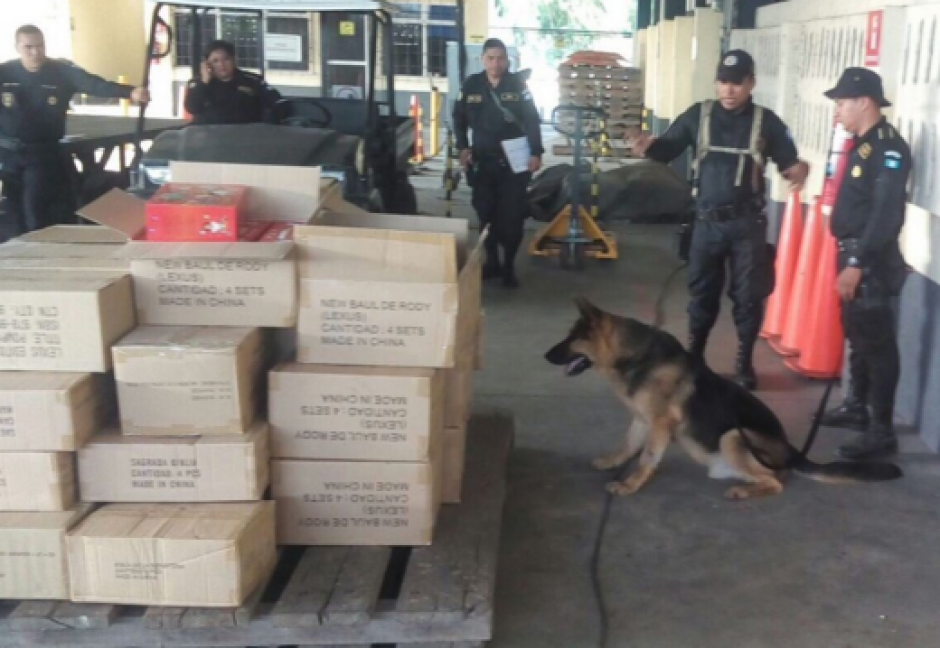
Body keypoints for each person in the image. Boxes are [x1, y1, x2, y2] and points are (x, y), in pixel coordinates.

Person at [632, 50, 809, 390]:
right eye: (723, 83)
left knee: (747, 297)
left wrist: (800, 170)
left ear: (751, 84)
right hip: (707, 222)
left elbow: (790, 162)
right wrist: (647, 147)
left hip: (747, 226)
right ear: (716, 83)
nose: (729, 90)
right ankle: (694, 358)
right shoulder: (698, 116)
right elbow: (667, 149)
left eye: (737, 83)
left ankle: (744, 362)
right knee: (701, 294)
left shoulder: (767, 122)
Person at [819, 68, 911, 460]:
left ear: (864, 102)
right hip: (854, 255)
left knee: (877, 344)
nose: (836, 111)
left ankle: (881, 430)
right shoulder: (864, 144)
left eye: (841, 103)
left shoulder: (889, 147)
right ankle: (857, 407)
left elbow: (885, 213)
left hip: (870, 261)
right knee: (857, 336)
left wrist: (857, 261)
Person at [0, 24, 149, 239]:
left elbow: (94, 84)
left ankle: (37, 252)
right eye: (28, 47)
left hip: (42, 152)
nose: (35, 52)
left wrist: (130, 92)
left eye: (40, 46)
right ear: (17, 47)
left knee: (34, 210)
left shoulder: (60, 71)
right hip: (9, 153)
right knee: (12, 211)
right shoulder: (5, 72)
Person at [453, 38, 543, 289]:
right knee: (486, 215)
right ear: (482, 59)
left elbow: (532, 120)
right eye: (491, 58)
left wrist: (536, 152)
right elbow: (458, 118)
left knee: (512, 218)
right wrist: (462, 147)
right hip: (482, 163)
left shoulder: (518, 85)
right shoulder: (471, 85)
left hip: (514, 164)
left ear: (507, 60)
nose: (496, 63)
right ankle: (491, 263)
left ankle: (508, 266)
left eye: (500, 58)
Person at [184, 40, 281, 125]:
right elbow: (192, 108)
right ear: (207, 64)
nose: (221, 65)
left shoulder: (252, 81)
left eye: (226, 59)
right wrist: (204, 82)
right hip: (208, 136)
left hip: (245, 137)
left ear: (234, 59)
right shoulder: (198, 83)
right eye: (215, 61)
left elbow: (276, 101)